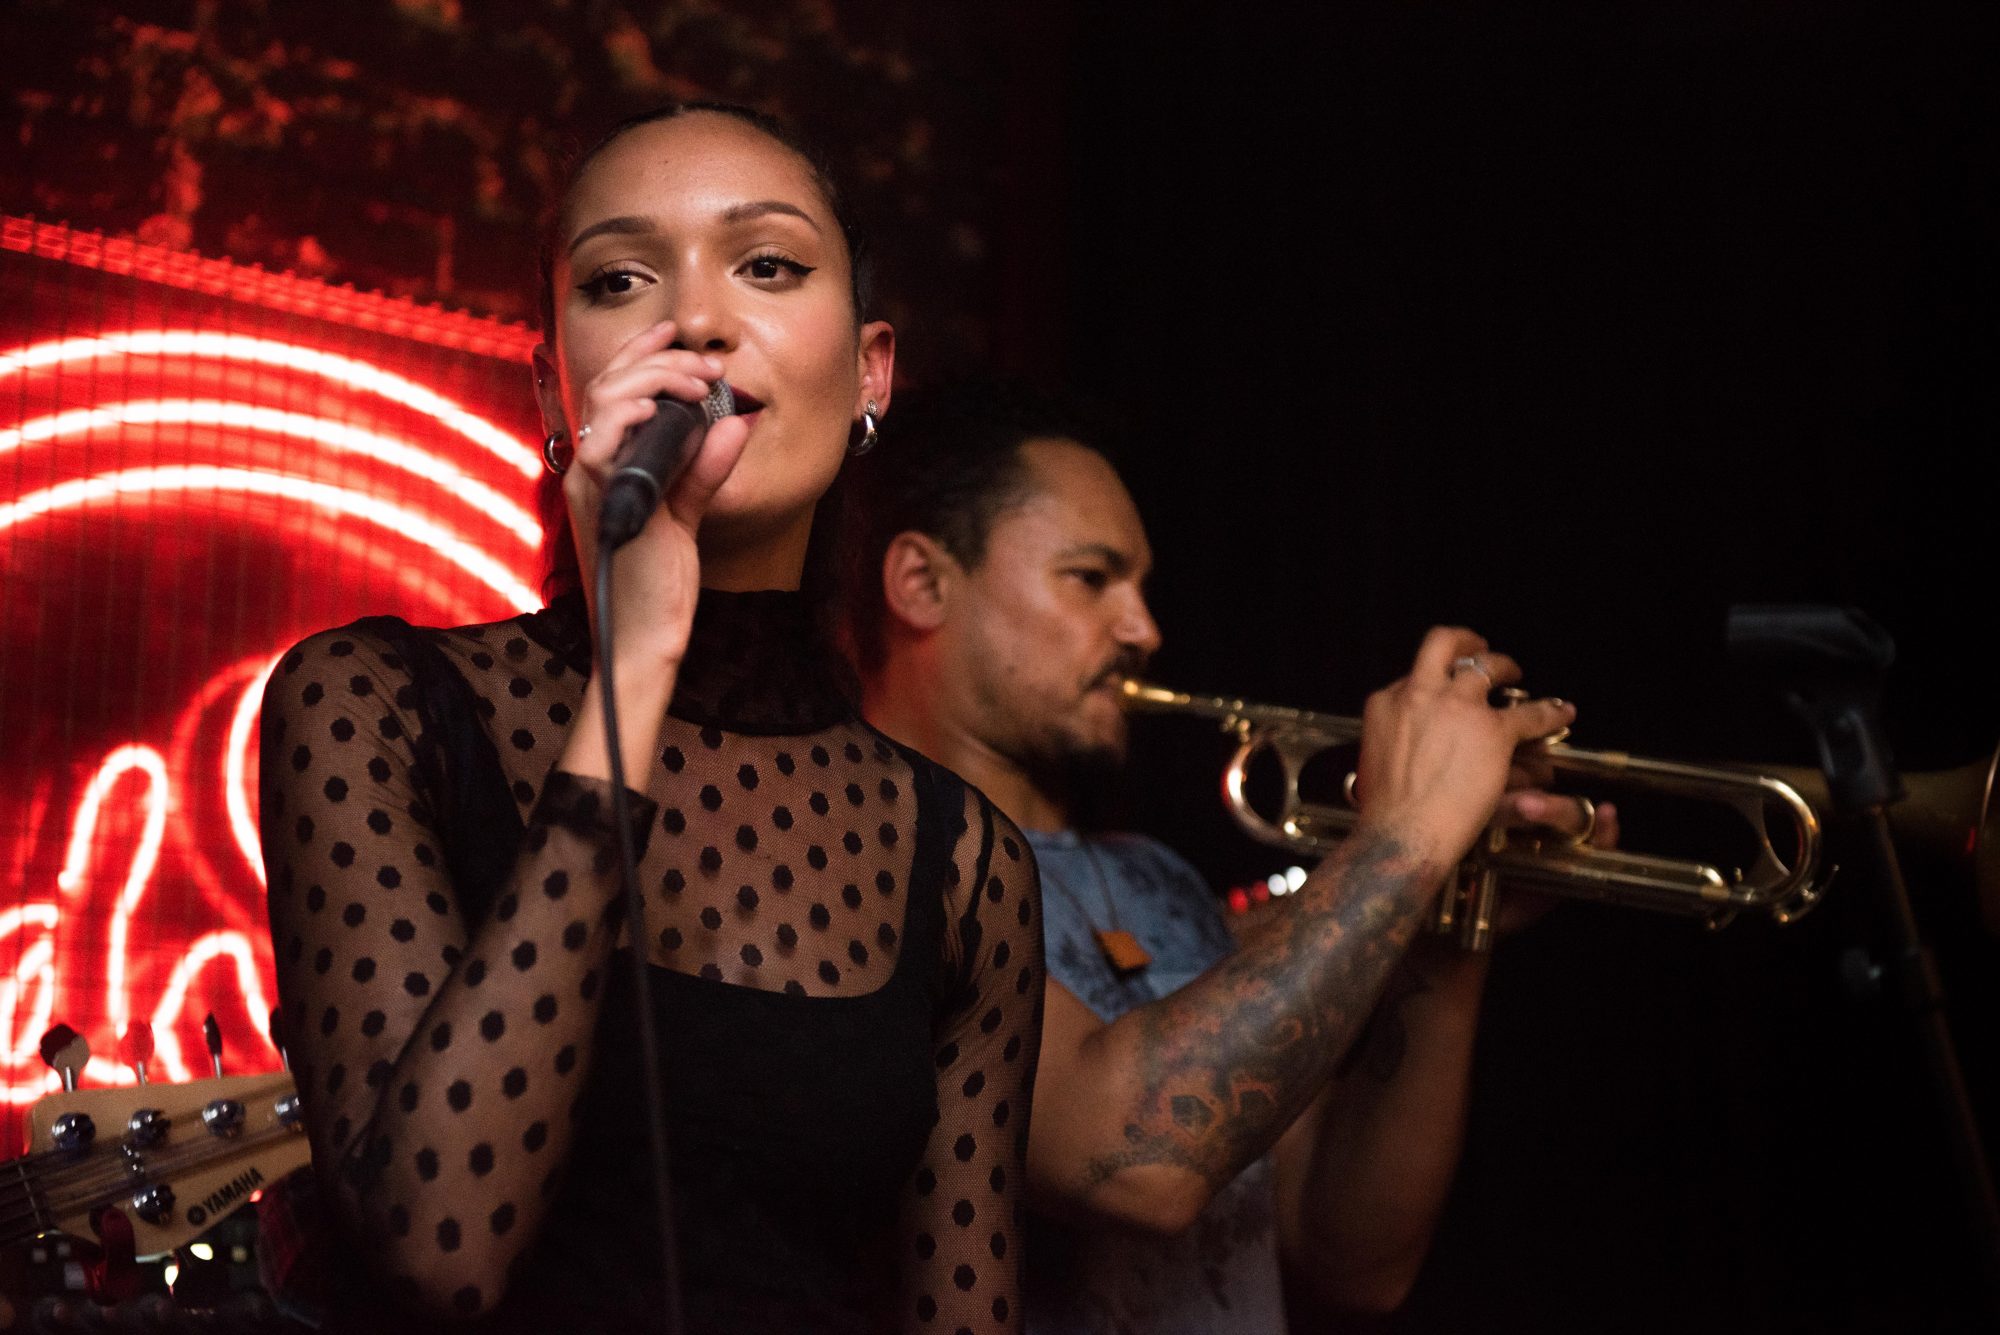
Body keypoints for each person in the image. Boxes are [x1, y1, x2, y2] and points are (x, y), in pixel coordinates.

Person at [261, 107, 1042, 1334]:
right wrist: (635, 668)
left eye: (768, 266)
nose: (696, 322)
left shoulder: (962, 861)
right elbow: (438, 1250)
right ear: (552, 386)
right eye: (620, 279)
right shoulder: (370, 709)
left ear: (870, 374)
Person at [841, 385, 1616, 1333]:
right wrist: (1407, 838)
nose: (1143, 628)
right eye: (1092, 577)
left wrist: (1450, 928)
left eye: (1140, 585)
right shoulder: (863, 858)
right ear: (921, 581)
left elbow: (1350, 1255)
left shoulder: (1157, 879)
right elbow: (1138, 1163)